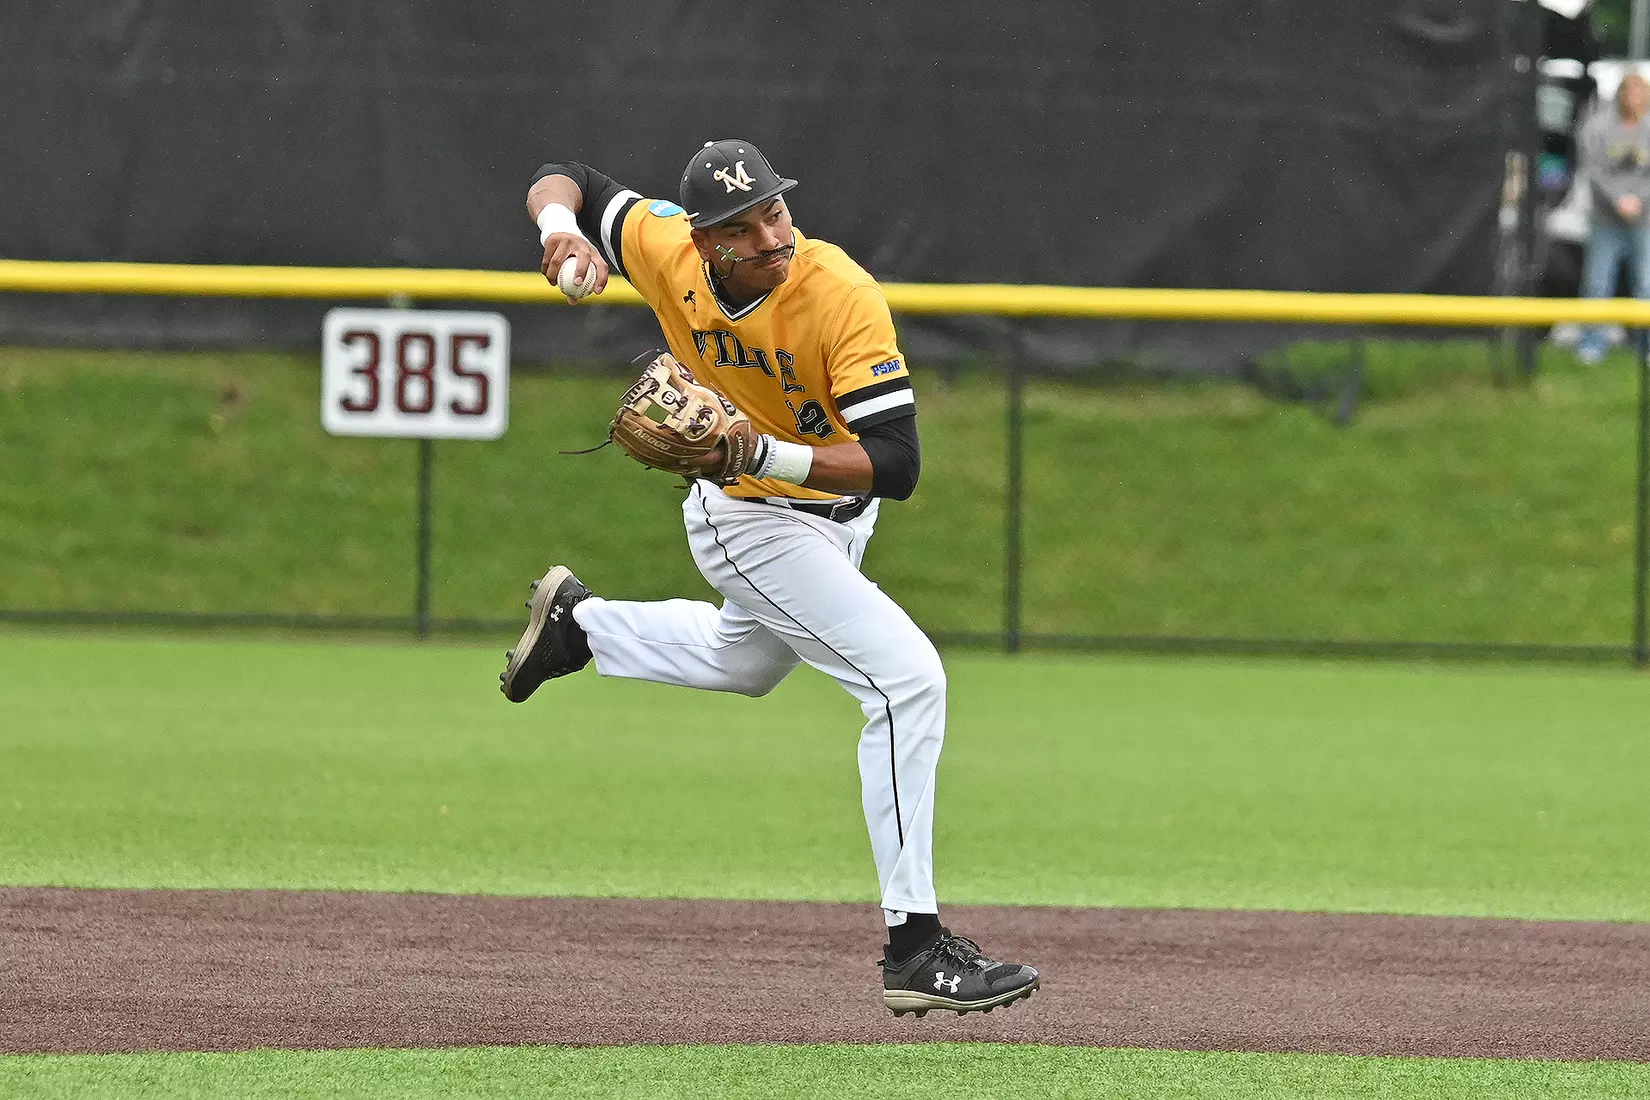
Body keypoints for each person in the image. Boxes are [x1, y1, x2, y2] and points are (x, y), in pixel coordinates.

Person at [500, 140, 1040, 1018]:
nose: (769, 235)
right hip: (743, 520)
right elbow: (566, 176)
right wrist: (560, 231)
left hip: (829, 508)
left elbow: (897, 465)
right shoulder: (665, 247)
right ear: (704, 240)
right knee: (908, 683)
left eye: (776, 212)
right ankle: (916, 947)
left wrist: (761, 448)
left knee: (742, 662)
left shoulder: (839, 293)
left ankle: (583, 627)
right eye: (743, 227)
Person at [1576, 70, 1650, 363]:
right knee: (1597, 284)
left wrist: (1638, 200)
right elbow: (1593, 170)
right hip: (1605, 221)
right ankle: (1591, 344)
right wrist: (1618, 200)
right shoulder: (1598, 127)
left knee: (1645, 284)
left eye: (1641, 94)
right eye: (1631, 93)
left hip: (1644, 222)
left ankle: (1644, 345)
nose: (1636, 99)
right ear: (1620, 95)